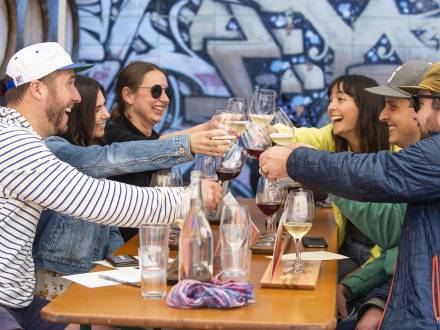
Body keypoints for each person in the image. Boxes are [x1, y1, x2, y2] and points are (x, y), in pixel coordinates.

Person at [0, 42, 221, 329]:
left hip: (20, 302)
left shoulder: (20, 138)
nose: (77, 96)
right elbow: (96, 199)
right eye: (69, 84)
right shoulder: (12, 144)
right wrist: (190, 198)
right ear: (38, 88)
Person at [260, 61, 440, 328]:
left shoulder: (428, 157)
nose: (383, 116)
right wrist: (369, 297)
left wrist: (297, 162)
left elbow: (379, 175)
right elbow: (407, 256)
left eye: (417, 104)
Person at [33, 75, 201, 300]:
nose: (105, 115)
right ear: (78, 114)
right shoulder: (54, 149)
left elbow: (109, 224)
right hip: (57, 278)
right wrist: (187, 145)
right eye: (96, 109)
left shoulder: (91, 149)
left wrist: (126, 266)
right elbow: (108, 158)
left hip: (89, 274)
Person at [105, 61, 233, 241]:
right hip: (124, 247)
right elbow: (148, 148)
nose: (165, 99)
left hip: (154, 241)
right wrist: (204, 129)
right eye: (156, 91)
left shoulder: (156, 138)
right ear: (128, 95)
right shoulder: (113, 136)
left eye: (168, 92)